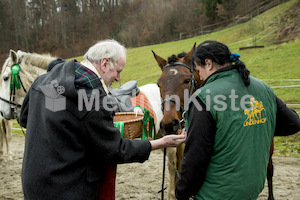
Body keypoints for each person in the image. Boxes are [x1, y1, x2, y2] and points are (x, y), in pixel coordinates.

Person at [19, 39, 186, 200]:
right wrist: (161, 143)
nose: (119, 78)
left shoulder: (43, 80)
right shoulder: (93, 97)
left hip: (33, 183)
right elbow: (116, 150)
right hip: (68, 188)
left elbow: (25, 118)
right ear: (104, 64)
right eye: (118, 71)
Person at [175, 40, 300, 200]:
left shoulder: (204, 97)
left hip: (215, 194)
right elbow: (294, 123)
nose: (199, 76)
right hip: (252, 190)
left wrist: (181, 192)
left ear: (208, 64)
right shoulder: (262, 87)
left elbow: (195, 160)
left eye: (198, 70)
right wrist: (251, 127)